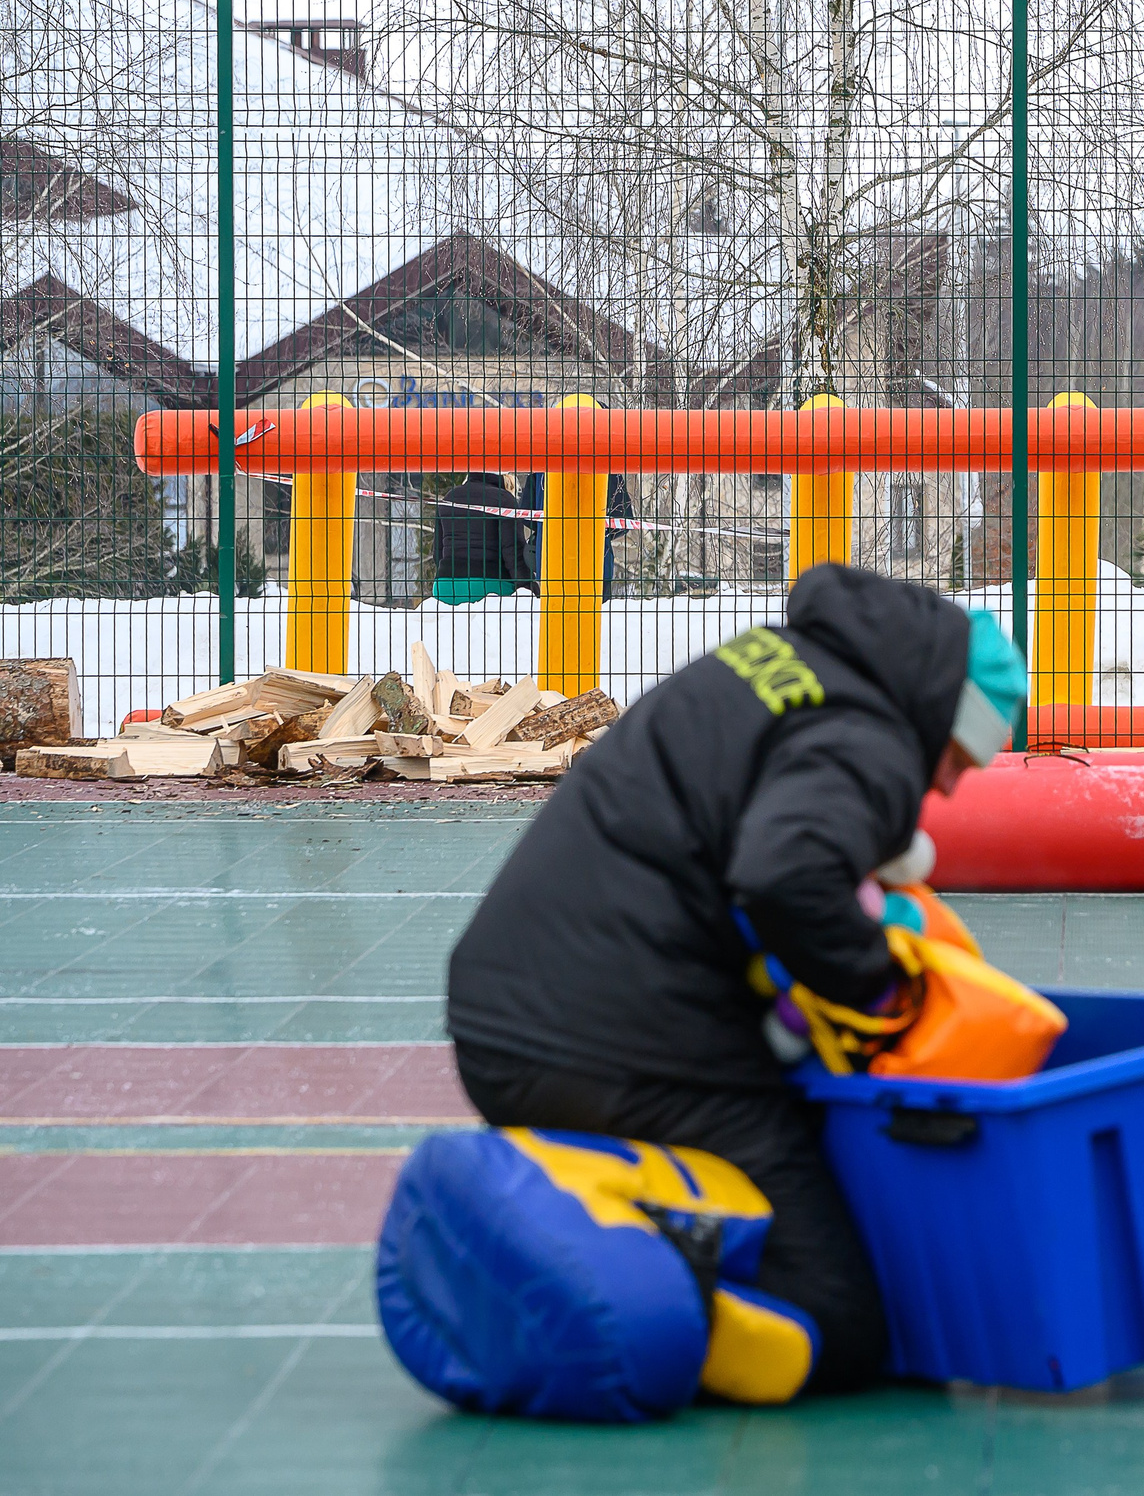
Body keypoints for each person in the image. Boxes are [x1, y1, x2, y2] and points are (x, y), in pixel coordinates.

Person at [444, 568, 1028, 1391]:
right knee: (840, 1317)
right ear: (942, 714)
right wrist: (883, 991)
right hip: (613, 1051)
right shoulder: (867, 736)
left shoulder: (777, 662)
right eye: (960, 760)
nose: (947, 787)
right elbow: (788, 874)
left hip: (505, 1023)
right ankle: (610, 1244)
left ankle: (601, 1201)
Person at [432, 472, 535, 604]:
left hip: (446, 585)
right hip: (489, 584)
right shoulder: (504, 499)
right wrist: (527, 586)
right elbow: (513, 551)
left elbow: (438, 552)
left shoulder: (448, 498)